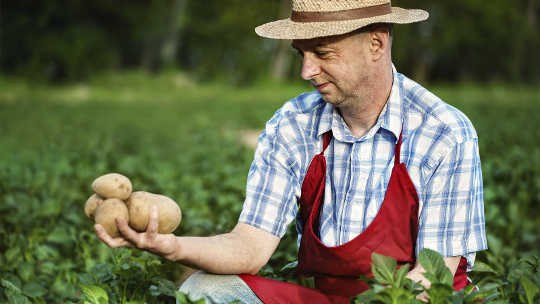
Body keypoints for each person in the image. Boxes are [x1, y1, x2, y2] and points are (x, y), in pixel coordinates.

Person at [95, 0, 487, 303]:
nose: (306, 71)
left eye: (322, 53)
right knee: (204, 291)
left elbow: (431, 279)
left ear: (376, 44)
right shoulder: (294, 124)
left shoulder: (443, 133)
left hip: (410, 300)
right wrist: (174, 246)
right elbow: (248, 247)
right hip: (323, 298)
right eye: (301, 53)